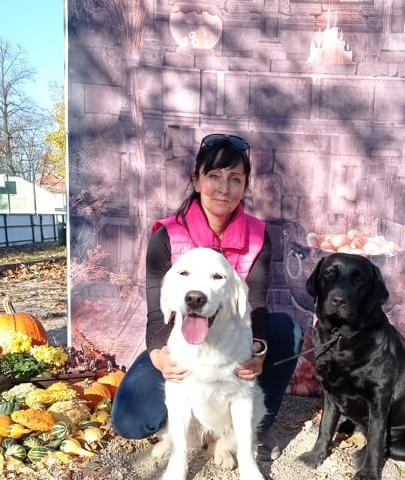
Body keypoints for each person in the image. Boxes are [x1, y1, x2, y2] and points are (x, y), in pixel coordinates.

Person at [111, 133, 303, 461]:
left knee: (286, 330)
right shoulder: (166, 235)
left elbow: (256, 303)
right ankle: (184, 429)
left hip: (231, 342)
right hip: (182, 343)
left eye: (235, 179)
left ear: (245, 187)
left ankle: (250, 430)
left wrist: (257, 349)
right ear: (197, 181)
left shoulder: (259, 236)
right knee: (131, 420)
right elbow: (157, 311)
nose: (223, 188)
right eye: (214, 176)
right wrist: (159, 355)